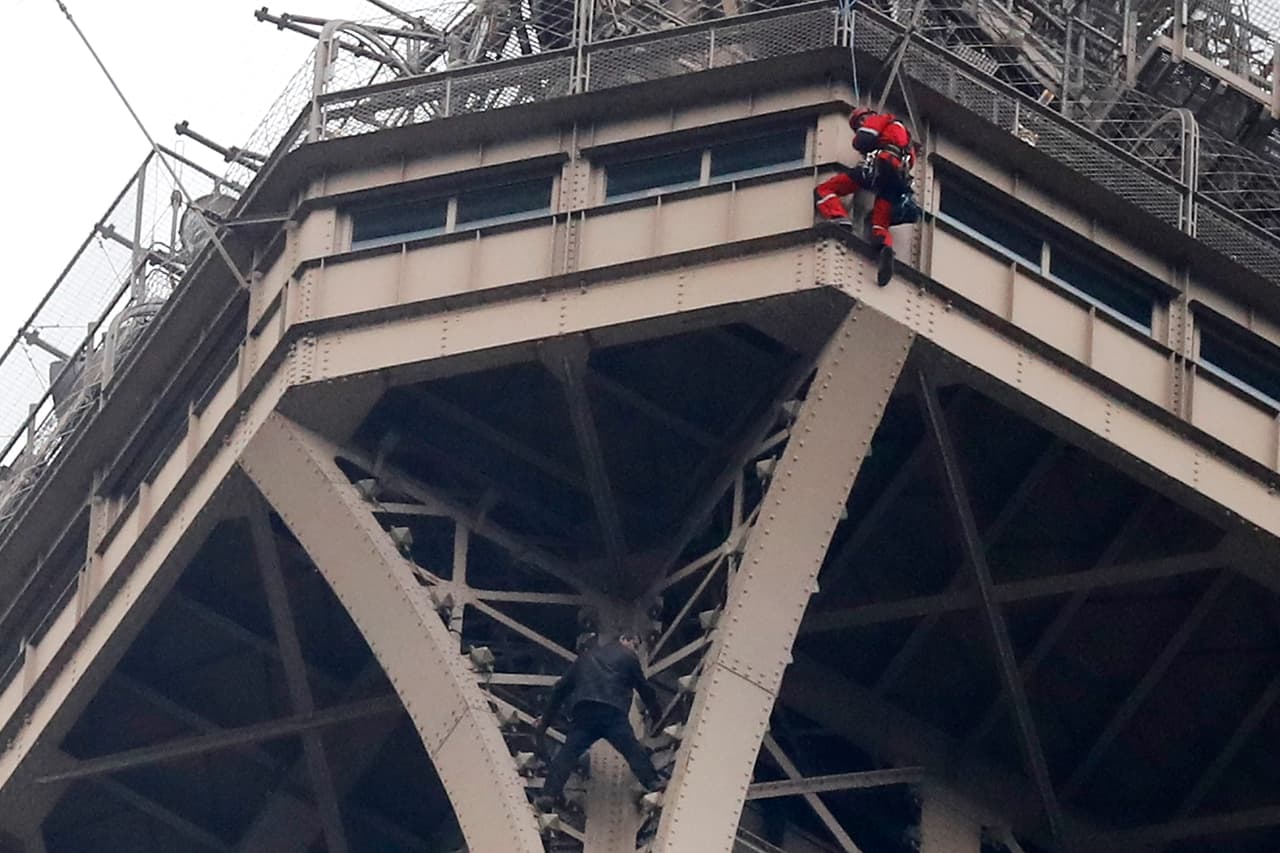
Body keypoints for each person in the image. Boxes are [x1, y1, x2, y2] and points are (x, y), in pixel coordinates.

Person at [534, 633, 663, 809]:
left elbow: (561, 690)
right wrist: (657, 714)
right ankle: (653, 782)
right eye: (635, 644)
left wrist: (545, 722)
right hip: (613, 712)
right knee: (632, 748)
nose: (635, 649)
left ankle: (548, 794)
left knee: (567, 754)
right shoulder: (628, 657)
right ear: (624, 640)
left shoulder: (585, 657)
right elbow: (644, 688)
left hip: (585, 711)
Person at [814, 106, 920, 285]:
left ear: (865, 117)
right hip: (897, 180)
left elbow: (862, 140)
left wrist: (862, 137)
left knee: (824, 190)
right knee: (879, 222)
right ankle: (884, 246)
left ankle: (839, 217)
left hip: (880, 167)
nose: (859, 126)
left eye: (858, 123)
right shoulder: (907, 140)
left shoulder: (880, 119)